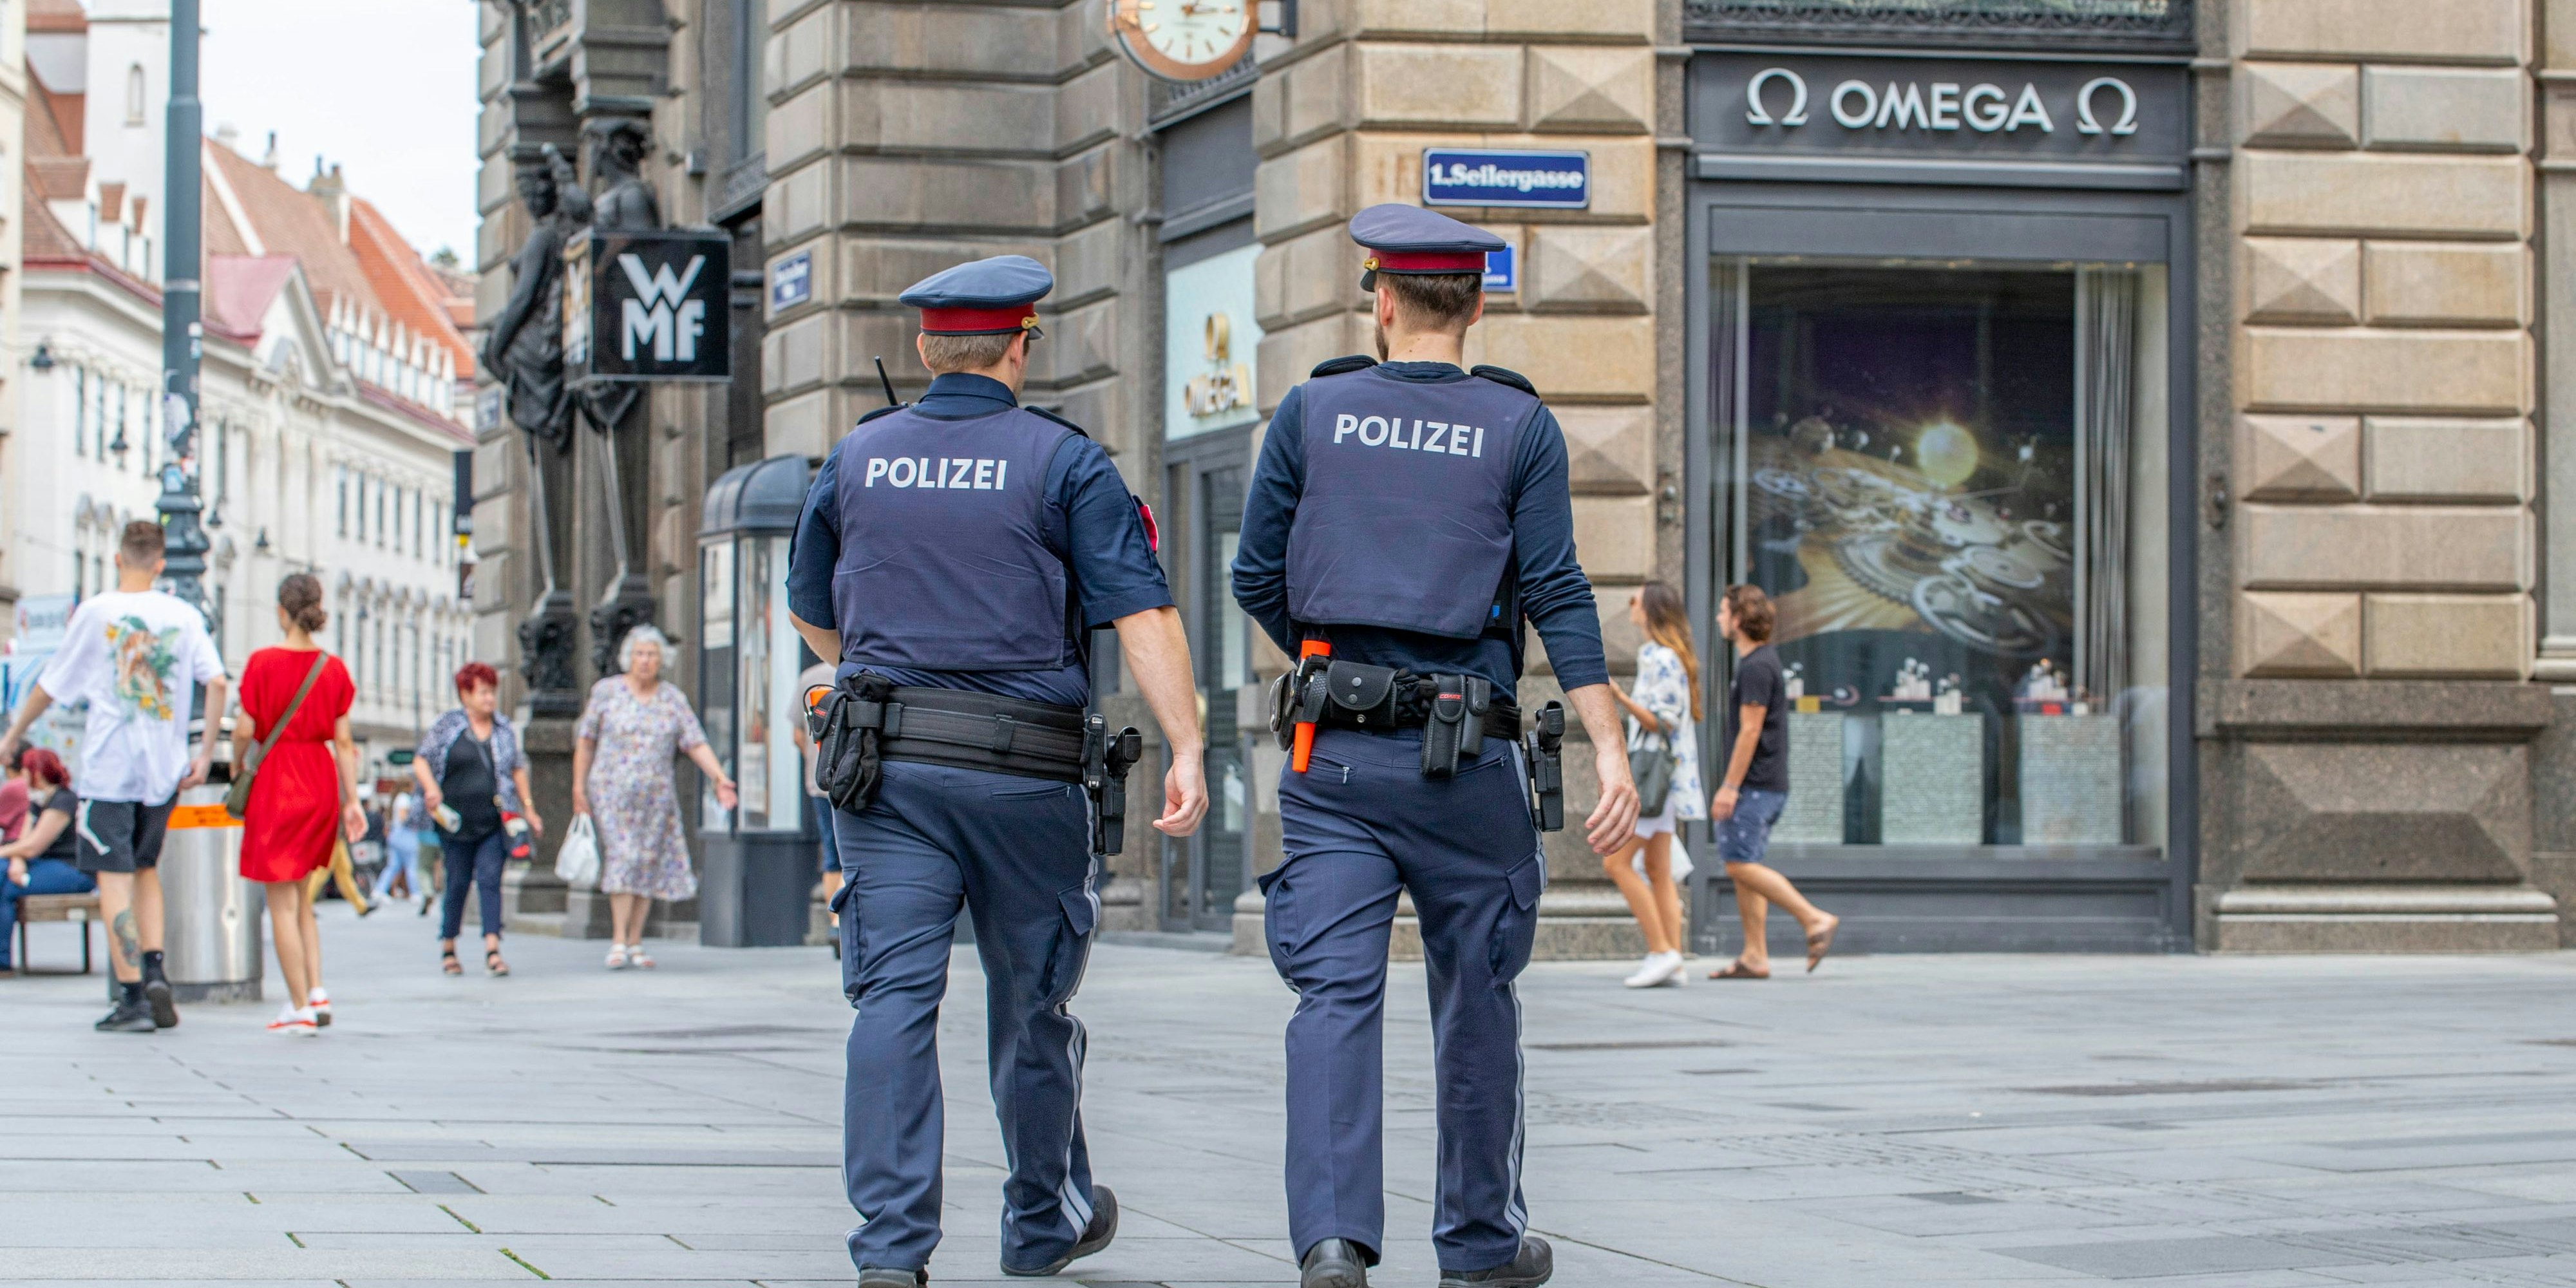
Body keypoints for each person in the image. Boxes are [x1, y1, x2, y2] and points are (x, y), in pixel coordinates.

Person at [1231, 205, 1641, 1288]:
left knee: (1333, 997)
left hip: (1338, 760)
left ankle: (1330, 1242)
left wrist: (1332, 658)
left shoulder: (1312, 409)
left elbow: (1253, 576)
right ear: (1480, 301)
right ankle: (1480, 1245)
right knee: (1477, 999)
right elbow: (1557, 588)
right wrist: (1609, 743)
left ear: (1383, 296)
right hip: (1471, 762)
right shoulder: (1520, 426)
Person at [785, 253, 1207, 1288]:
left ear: (928, 348)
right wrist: (1187, 744)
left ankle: (891, 1254)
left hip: (885, 777)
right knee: (1032, 1005)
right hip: (1027, 775)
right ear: (1022, 344)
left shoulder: (857, 457)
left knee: (892, 999)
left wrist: (885, 675)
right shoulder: (1065, 462)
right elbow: (1140, 612)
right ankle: (1038, 1226)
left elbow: (806, 606)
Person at [0, 520, 227, 1032]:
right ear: (162, 564)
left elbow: (52, 684)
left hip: (109, 769)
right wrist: (204, 749)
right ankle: (155, 970)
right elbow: (214, 682)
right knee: (146, 869)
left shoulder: (99, 612)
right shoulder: (184, 615)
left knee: (113, 878)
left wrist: (14, 734)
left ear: (118, 559)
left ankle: (132, 996)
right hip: (164, 771)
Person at [234, 573, 365, 1034]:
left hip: (277, 780)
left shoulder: (262, 663)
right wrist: (353, 801)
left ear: (281, 611)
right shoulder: (332, 668)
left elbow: (246, 729)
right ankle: (317, 989)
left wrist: (238, 767)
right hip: (319, 777)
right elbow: (345, 739)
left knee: (281, 904)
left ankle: (298, 1006)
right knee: (302, 899)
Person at [572, 625, 735, 969]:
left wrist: (719, 777)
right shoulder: (607, 692)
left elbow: (695, 742)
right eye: (639, 654)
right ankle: (618, 940)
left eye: (652, 655)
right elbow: (586, 741)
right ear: (628, 658)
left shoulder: (672, 698)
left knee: (646, 861)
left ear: (662, 660)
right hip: (611, 791)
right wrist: (578, 787)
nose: (645, 661)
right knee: (624, 856)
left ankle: (635, 940)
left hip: (656, 795)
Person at [1707, 584, 1837, 979]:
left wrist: (1729, 787)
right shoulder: (1759, 663)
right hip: (1764, 783)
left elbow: (1750, 732)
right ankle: (1754, 955)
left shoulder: (1756, 667)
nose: (1718, 618)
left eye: (1723, 611)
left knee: (1738, 865)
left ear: (1739, 619)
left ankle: (1813, 919)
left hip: (1756, 785)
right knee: (1746, 862)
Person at [1605, 581, 1706, 989]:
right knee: (1658, 869)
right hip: (1664, 780)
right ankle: (1674, 960)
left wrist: (1618, 696)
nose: (1631, 604)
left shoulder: (1662, 658)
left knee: (1615, 862)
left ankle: (1661, 951)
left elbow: (1661, 721)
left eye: (1637, 599)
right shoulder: (1662, 656)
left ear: (1650, 609)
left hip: (1654, 779)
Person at [414, 663, 542, 977]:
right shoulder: (448, 725)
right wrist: (431, 789)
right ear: (465, 694)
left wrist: (529, 809)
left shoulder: (503, 728)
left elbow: (516, 769)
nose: (489, 699)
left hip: (493, 821)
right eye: (482, 692)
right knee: (456, 882)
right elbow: (422, 759)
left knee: (489, 880)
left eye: (491, 692)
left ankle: (492, 947)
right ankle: (448, 945)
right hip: (454, 823)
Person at [0, 750, 95, 976]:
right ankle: (2, 959)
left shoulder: (64, 800)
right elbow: (23, 842)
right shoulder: (37, 800)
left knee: (9, 886)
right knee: (4, 874)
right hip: (42, 865)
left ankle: (3, 960)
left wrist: (14, 854)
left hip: (73, 870)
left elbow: (34, 846)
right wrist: (16, 861)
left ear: (37, 773)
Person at [790, 658, 842, 955]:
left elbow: (798, 734)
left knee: (832, 853)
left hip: (821, 782)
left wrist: (819, 761)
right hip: (863, 780)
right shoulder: (867, 669)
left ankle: (836, 923)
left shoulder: (810, 677)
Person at [374, 789, 423, 906]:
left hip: (396, 834)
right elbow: (403, 817)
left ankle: (379, 890)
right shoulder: (404, 798)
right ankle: (415, 892)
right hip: (404, 834)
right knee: (412, 864)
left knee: (393, 865)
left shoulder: (399, 798)